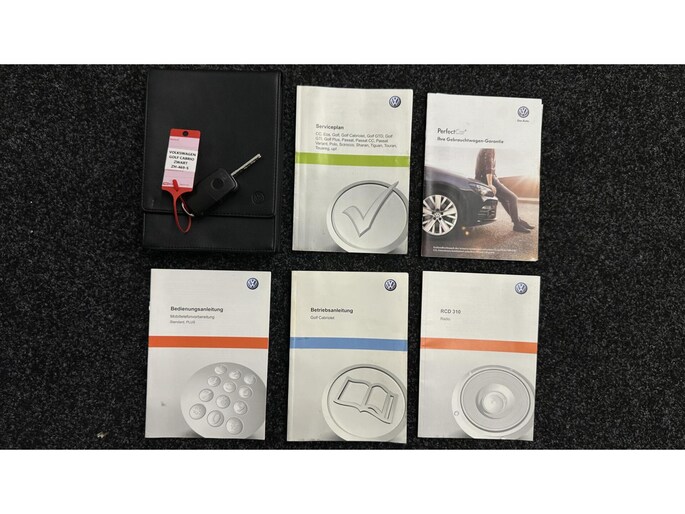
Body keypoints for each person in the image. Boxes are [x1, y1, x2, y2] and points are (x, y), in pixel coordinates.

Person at [475, 148, 535, 233]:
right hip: (489, 179)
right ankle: (517, 224)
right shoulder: (489, 147)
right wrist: (490, 184)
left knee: (504, 199)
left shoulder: (483, 149)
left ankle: (518, 221)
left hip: (485, 178)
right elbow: (489, 165)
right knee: (513, 198)